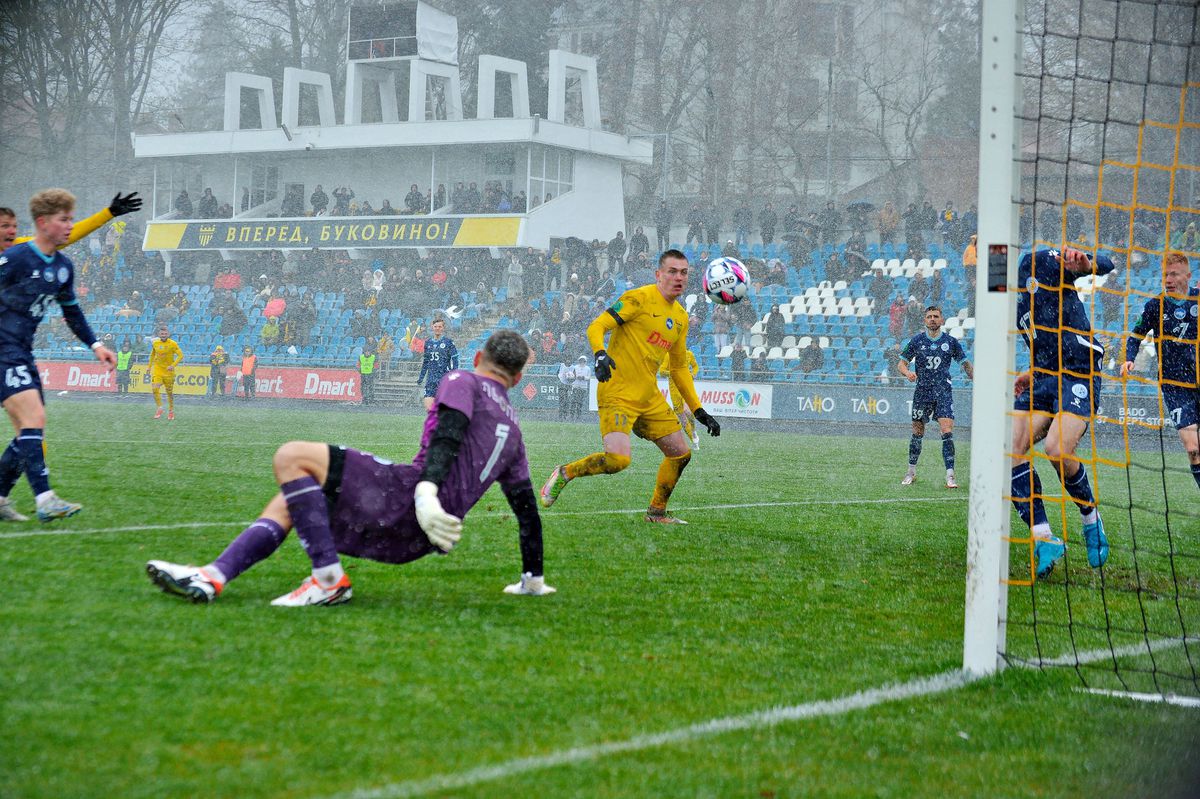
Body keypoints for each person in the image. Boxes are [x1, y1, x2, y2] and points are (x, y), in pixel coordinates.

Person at [145, 330, 555, 605]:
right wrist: (533, 579)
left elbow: (450, 431)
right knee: (294, 494)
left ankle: (328, 581)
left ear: (478, 356)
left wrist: (426, 491)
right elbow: (526, 512)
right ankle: (213, 576)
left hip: (408, 499)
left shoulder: (463, 379)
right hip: (424, 539)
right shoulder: (515, 431)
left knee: (291, 456)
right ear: (517, 378)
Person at [539, 250, 722, 524]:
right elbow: (597, 325)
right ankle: (565, 473)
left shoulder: (681, 318)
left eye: (684, 273)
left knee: (680, 454)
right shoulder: (638, 298)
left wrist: (698, 410)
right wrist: (600, 353)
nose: (678, 277)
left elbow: (679, 367)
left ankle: (656, 512)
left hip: (649, 396)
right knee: (618, 461)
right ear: (658, 275)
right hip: (617, 391)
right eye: (672, 271)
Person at [0, 189, 117, 521]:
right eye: (64, 219)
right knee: (33, 422)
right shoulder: (17, 258)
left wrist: (96, 346)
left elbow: (72, 313)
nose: (70, 225)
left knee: (29, 431)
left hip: (21, 352)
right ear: (43, 223)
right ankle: (45, 498)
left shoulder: (63, 266)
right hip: (4, 352)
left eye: (71, 219)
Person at [1013, 247, 1114, 579]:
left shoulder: (1036, 260)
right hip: (1043, 378)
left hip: (1077, 369)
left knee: (1056, 449)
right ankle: (1044, 538)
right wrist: (1031, 371)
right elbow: (1039, 340)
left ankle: (1090, 519)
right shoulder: (1003, 297)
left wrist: (1087, 263)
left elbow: (1104, 261)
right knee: (1008, 448)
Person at [1122, 252, 1199, 491]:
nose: (1168, 280)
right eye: (1165, 275)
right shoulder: (1155, 306)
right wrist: (1128, 359)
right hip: (1175, 386)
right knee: (1193, 449)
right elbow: (1135, 335)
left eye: (1174, 274)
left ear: (1188, 276)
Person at [897, 306, 973, 488]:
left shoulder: (951, 342)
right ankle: (911, 471)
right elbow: (901, 363)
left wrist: (976, 378)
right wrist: (907, 373)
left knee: (947, 431)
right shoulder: (916, 341)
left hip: (943, 392)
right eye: (929, 316)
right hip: (922, 392)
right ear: (925, 320)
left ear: (941, 320)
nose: (932, 319)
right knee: (917, 432)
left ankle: (950, 475)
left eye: (935, 316)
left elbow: (965, 364)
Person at [0, 192, 141, 252]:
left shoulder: (18, 247)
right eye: (5, 226)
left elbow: (62, 238)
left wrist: (108, 213)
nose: (12, 231)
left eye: (14, 226)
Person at [657, 346, 701, 446]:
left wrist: (693, 374)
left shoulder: (689, 354)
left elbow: (695, 366)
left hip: (686, 387)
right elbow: (662, 371)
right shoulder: (668, 356)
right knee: (683, 420)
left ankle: (693, 430)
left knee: (688, 412)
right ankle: (693, 440)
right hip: (674, 391)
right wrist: (673, 374)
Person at [418, 318, 459, 411]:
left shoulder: (448, 342)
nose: (437, 328)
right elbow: (426, 362)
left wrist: (454, 374)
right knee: (429, 409)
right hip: (431, 379)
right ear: (432, 327)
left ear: (443, 328)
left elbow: (455, 360)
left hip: (443, 378)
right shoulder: (428, 343)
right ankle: (434, 424)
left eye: (440, 326)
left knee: (443, 408)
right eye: (435, 326)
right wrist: (421, 377)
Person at [148, 325, 184, 420]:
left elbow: (180, 355)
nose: (163, 335)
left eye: (165, 333)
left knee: (169, 393)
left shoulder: (173, 344)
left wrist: (173, 365)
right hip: (158, 370)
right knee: (155, 389)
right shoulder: (155, 343)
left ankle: (171, 411)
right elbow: (152, 355)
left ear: (168, 334)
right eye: (162, 333)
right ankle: (160, 408)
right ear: (159, 334)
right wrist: (149, 367)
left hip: (169, 372)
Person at [358, 340, 377, 406]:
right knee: (363, 388)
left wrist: (374, 371)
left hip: (370, 374)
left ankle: (371, 400)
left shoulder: (373, 357)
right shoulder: (361, 357)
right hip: (363, 374)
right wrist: (359, 369)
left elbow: (376, 365)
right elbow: (358, 364)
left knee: (370, 387)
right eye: (366, 351)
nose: (367, 353)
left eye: (368, 351)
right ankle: (364, 400)